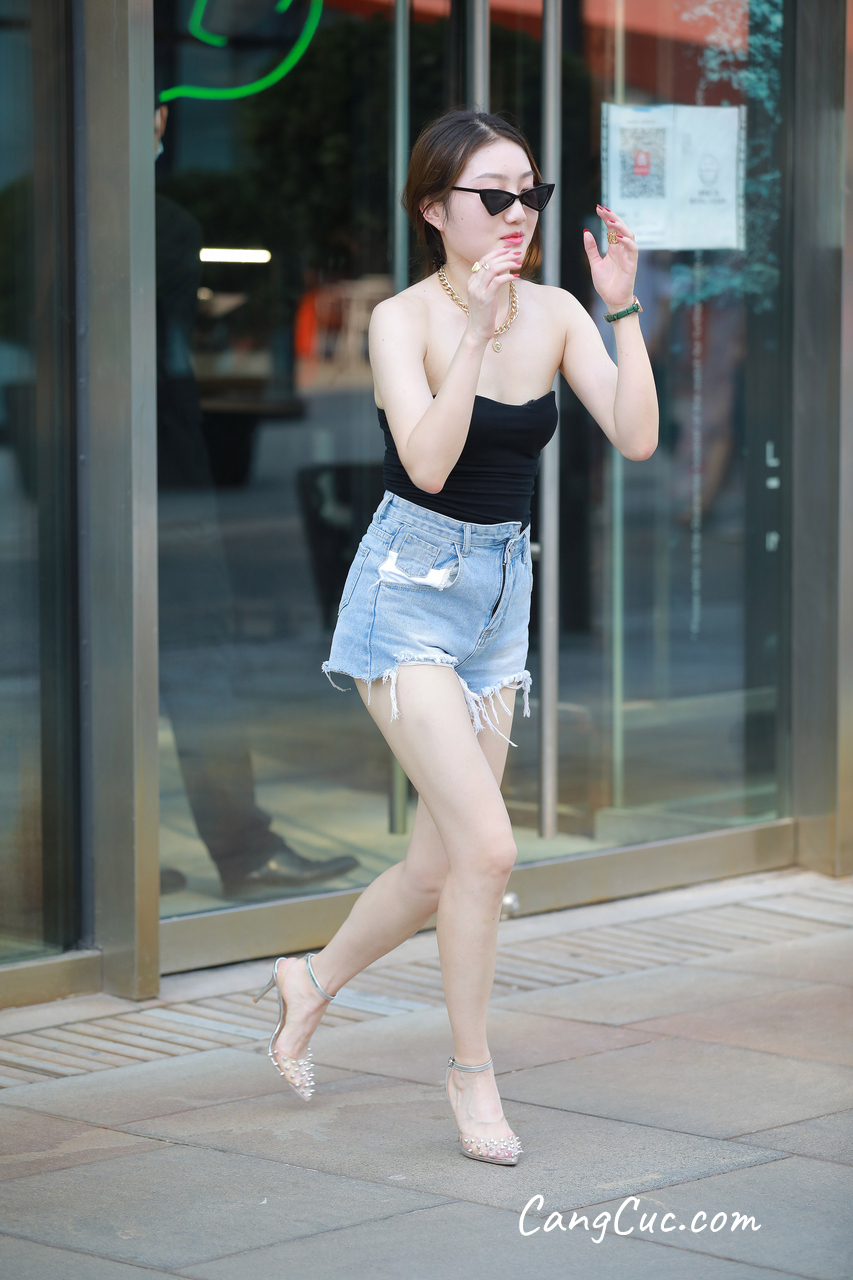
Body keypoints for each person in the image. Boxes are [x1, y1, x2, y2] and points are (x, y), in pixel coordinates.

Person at [253, 110, 658, 1164]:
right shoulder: (402, 321)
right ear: (435, 209)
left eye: (531, 193)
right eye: (494, 195)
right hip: (406, 593)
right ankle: (472, 1073)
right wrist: (474, 328)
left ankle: (309, 980)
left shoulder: (557, 311)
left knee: (438, 866)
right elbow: (428, 465)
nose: (518, 213)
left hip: (497, 601)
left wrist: (621, 309)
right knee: (488, 847)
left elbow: (636, 435)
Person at [153, 105, 358, 897]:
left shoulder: (51, 215)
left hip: (81, 477)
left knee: (94, 661)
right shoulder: (166, 225)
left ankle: (89, 866)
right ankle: (243, 852)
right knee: (197, 660)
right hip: (164, 478)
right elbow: (179, 352)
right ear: (157, 120)